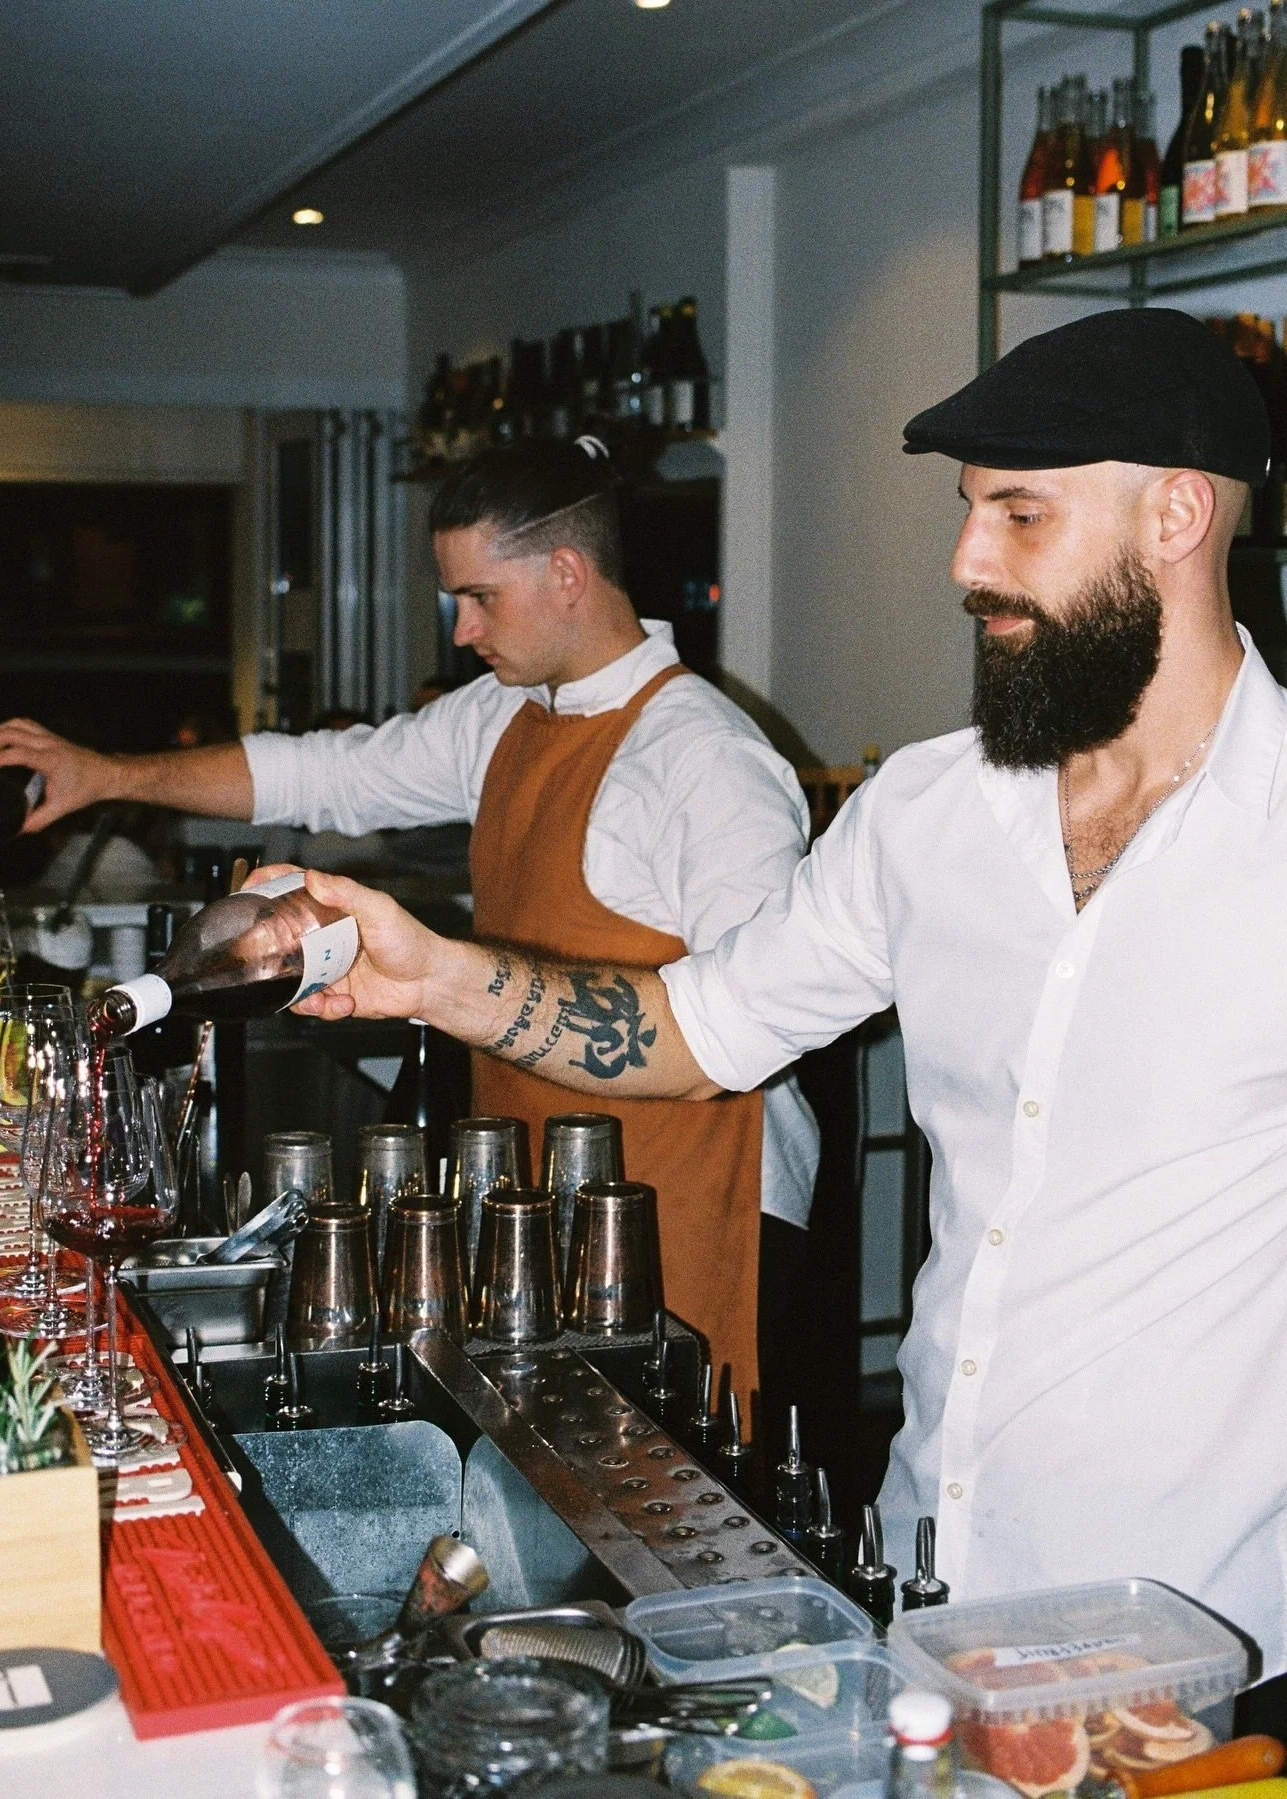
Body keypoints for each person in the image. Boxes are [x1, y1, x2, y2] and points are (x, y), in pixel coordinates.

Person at [276, 308, 1287, 1680]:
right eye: (967, 511)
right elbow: (699, 1029)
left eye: (1019, 514)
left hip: (1207, 1636)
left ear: (1175, 514)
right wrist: (439, 976)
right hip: (932, 1569)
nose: (965, 561)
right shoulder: (929, 809)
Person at [0, 436, 820, 1408]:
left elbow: (748, 1033)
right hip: (545, 1193)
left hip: (696, 1199)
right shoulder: (509, 714)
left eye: (480, 597)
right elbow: (324, 773)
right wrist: (109, 774)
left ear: (568, 573)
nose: (461, 630)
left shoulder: (708, 764)